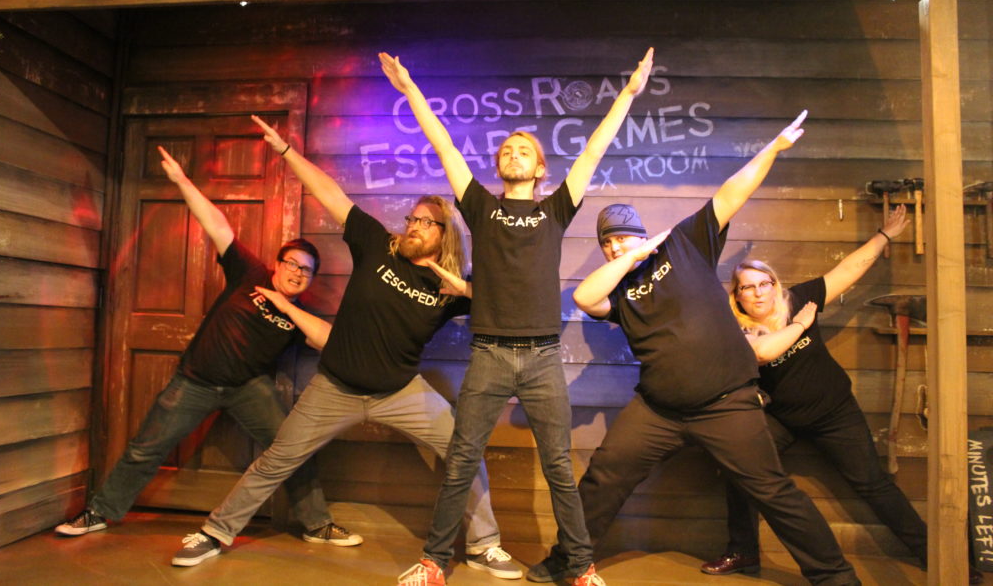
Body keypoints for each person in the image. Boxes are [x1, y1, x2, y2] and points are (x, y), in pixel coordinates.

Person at [170, 116, 521, 578]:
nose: (415, 226)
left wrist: (467, 292)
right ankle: (215, 532)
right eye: (412, 218)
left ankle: (484, 545)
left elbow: (511, 300)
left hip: (401, 392)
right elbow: (331, 194)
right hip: (334, 387)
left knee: (463, 449)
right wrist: (285, 152)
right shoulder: (378, 245)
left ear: (445, 235)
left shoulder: (448, 286)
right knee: (277, 458)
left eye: (427, 223)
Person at [534, 112, 863, 585]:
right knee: (604, 477)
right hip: (659, 410)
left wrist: (771, 149)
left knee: (773, 491)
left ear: (643, 233)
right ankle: (567, 561)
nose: (614, 248)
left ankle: (835, 576)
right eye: (608, 243)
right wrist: (628, 258)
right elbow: (586, 298)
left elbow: (732, 192)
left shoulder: (684, 245)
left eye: (623, 237)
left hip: (726, 403)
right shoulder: (617, 289)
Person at [383, 47, 656, 586]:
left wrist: (627, 95)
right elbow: (442, 145)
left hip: (543, 359)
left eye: (524, 149)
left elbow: (594, 152)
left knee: (559, 467)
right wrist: (410, 90)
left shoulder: (556, 208)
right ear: (500, 164)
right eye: (507, 148)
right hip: (487, 354)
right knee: (461, 462)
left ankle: (580, 567)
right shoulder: (481, 207)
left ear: (539, 168)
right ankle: (435, 561)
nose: (513, 152)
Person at [56, 146, 355, 551]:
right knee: (147, 448)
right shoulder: (249, 274)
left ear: (311, 279)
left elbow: (328, 341)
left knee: (290, 448)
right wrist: (181, 181)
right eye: (292, 263)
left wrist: (288, 307)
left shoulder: (300, 314)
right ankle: (100, 512)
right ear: (277, 263)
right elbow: (217, 224)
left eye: (306, 270)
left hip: (250, 388)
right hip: (194, 380)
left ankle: (316, 524)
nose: (297, 273)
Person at [702, 203, 981, 584]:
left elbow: (849, 270)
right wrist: (800, 326)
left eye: (763, 282)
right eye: (747, 287)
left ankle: (938, 556)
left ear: (775, 284)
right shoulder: (737, 330)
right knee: (741, 468)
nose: (758, 292)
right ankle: (743, 550)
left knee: (874, 484)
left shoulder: (799, 300)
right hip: (781, 417)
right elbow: (762, 353)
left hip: (835, 413)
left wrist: (885, 235)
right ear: (737, 296)